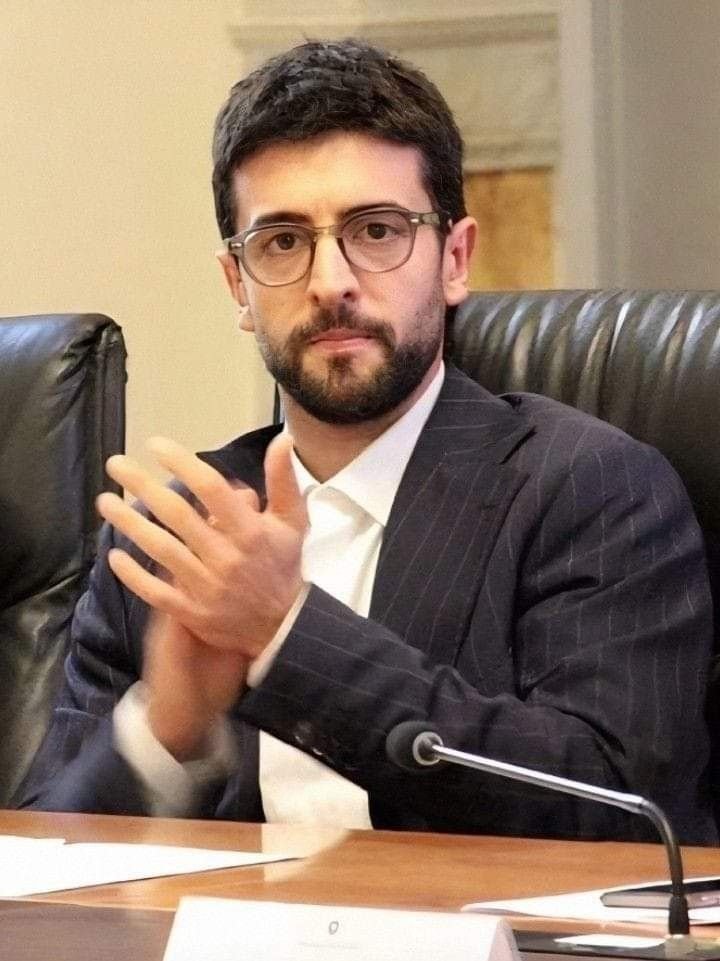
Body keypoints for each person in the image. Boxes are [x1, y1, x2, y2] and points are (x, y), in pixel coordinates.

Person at [20, 38, 716, 842]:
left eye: (377, 230)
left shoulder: (592, 488)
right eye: (283, 241)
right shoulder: (178, 540)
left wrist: (286, 634)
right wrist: (166, 732)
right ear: (238, 286)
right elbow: (42, 858)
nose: (331, 282)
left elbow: (619, 807)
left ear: (454, 259)